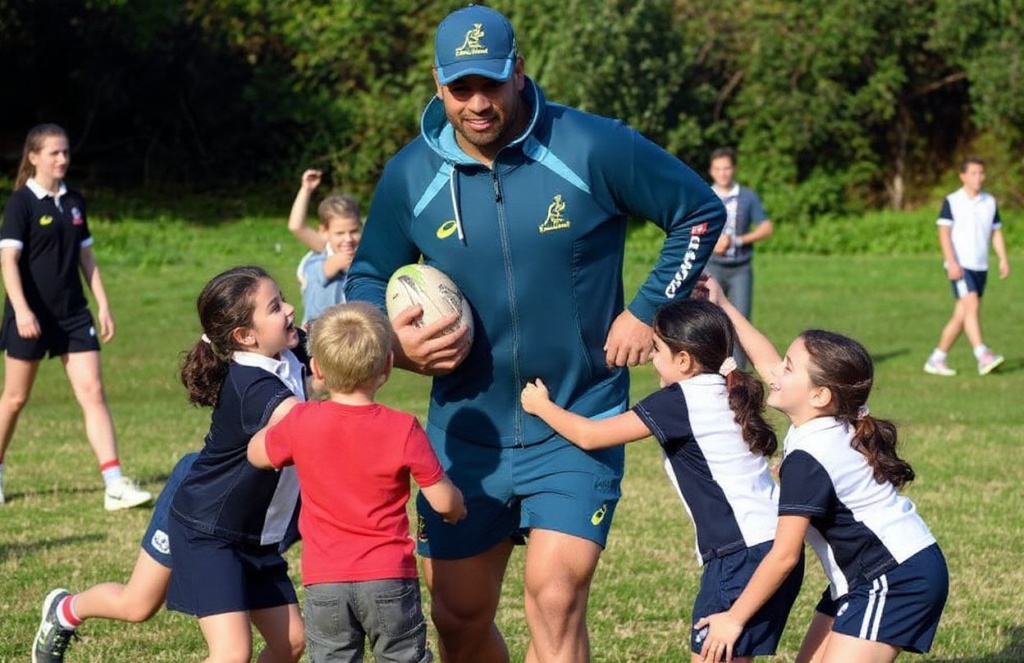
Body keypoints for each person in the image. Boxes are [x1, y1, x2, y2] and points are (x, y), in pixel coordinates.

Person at [345, 5, 725, 662]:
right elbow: (366, 278)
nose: (478, 102)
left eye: (491, 82)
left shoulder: (590, 145)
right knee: (458, 616)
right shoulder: (410, 175)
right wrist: (395, 347)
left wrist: (646, 308)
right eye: (461, 88)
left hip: (581, 418)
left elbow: (697, 211)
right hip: (468, 434)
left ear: (519, 72)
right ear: (438, 87)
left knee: (554, 596)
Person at [520, 298, 803, 663]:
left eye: (657, 349)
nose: (652, 358)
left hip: (740, 556)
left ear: (683, 360)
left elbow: (591, 436)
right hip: (769, 548)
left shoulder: (680, 398)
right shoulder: (728, 390)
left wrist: (541, 406)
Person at [695, 277, 948, 663]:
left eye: (789, 367)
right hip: (864, 577)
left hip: (896, 578)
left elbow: (784, 556)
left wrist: (734, 617)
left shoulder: (808, 459)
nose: (776, 372)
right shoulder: (827, 419)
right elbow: (766, 362)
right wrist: (725, 307)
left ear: (819, 395)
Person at [248, 301, 467, 662]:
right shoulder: (403, 427)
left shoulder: (302, 421)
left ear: (316, 368)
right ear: (388, 366)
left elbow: (257, 454)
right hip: (389, 578)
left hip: (325, 580)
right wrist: (456, 506)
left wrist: (284, 427)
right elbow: (443, 501)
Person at [0, 123, 151, 510]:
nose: (62, 159)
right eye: (54, 153)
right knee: (15, 398)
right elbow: (8, 260)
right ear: (33, 157)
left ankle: (114, 484)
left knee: (93, 392)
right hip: (29, 316)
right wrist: (20, 309)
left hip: (73, 315)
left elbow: (86, 257)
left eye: (65, 152)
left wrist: (102, 303)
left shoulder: (74, 201)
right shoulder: (20, 204)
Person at [166, 265, 307, 663]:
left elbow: (343, 340)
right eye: (276, 307)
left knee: (291, 643)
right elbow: (305, 426)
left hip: (255, 537)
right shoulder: (253, 387)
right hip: (209, 533)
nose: (290, 309)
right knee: (231, 653)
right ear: (246, 337)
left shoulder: (287, 347)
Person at [32, 452, 198, 663]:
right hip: (200, 494)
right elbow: (253, 450)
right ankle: (63, 611)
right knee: (137, 604)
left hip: (243, 508)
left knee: (234, 648)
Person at [923, 157, 1010, 377]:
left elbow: (995, 232)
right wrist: (951, 262)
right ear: (963, 176)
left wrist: (1002, 258)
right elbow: (944, 233)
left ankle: (937, 358)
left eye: (981, 173)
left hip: (981, 266)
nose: (978, 177)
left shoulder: (990, 201)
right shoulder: (952, 201)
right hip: (960, 266)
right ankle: (982, 355)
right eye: (973, 173)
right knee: (971, 307)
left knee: (963, 315)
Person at [703, 147, 773, 368]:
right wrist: (712, 243)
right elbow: (692, 227)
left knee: (740, 320)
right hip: (712, 266)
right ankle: (711, 369)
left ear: (733, 169)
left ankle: (738, 376)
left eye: (727, 168)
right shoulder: (705, 195)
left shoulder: (747, 197)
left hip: (740, 269)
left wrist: (738, 240)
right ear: (711, 171)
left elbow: (766, 228)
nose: (723, 173)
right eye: (718, 169)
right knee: (710, 320)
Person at [286, 169, 362, 327]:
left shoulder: (365, 254)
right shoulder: (320, 253)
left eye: (354, 231)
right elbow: (296, 226)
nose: (348, 239)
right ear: (324, 232)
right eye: (340, 233)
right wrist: (306, 189)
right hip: (318, 339)